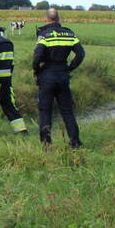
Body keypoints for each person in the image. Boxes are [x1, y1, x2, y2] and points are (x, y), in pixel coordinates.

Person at [33, 8, 85, 147]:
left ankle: (46, 144)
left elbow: (37, 56)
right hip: (63, 74)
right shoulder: (69, 33)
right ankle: (75, 142)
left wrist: (37, 70)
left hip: (47, 75)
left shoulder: (44, 35)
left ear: (46, 19)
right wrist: (70, 68)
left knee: (45, 111)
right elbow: (80, 54)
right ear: (59, 18)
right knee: (67, 111)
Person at [0, 19, 28, 135]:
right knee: (9, 106)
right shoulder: (8, 43)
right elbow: (11, 63)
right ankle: (22, 130)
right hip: (7, 80)